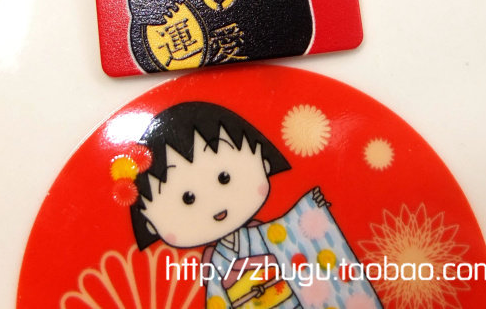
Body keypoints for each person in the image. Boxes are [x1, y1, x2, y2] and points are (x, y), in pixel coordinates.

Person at [129, 102, 382, 309]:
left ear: (264, 163)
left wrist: (310, 210)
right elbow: (218, 301)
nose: (215, 203)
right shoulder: (216, 262)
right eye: (188, 198)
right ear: (151, 224)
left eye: (224, 178)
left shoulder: (269, 235)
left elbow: (298, 230)